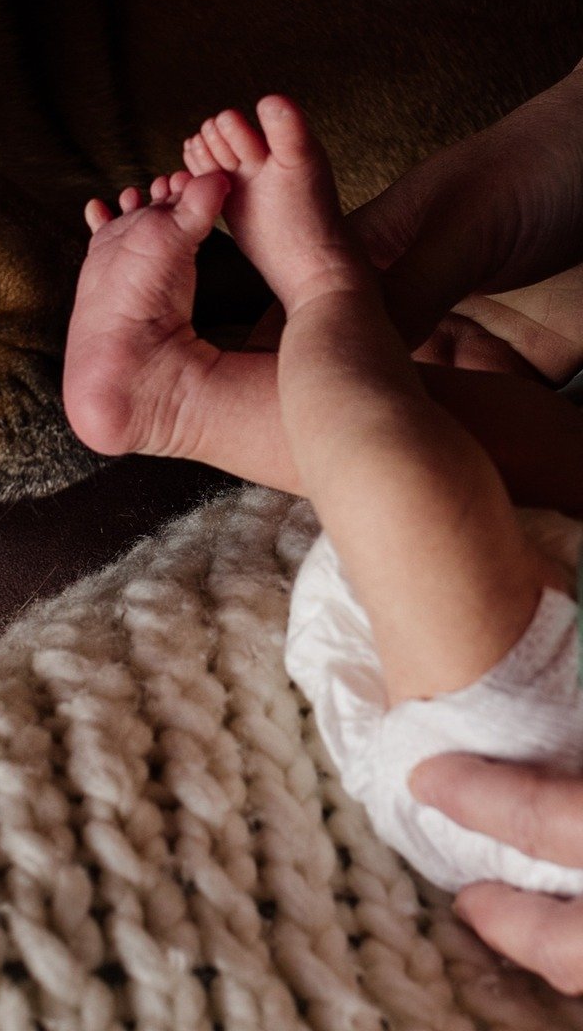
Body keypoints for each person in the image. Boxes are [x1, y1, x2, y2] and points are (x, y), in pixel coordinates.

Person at [63, 73, 583, 993]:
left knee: (405, 480)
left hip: (531, 763)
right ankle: (201, 396)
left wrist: (324, 285)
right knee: (516, 451)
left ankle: (309, 312)